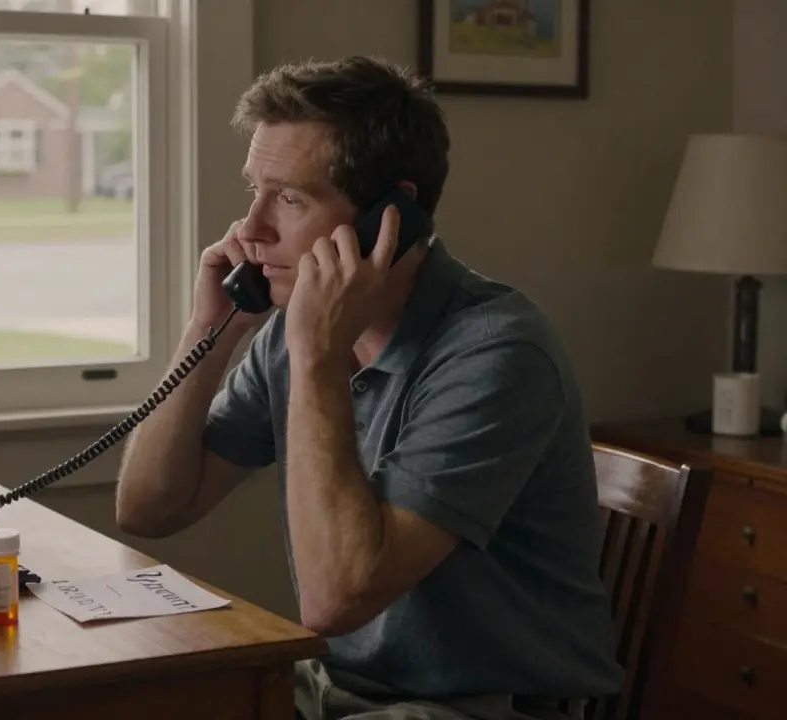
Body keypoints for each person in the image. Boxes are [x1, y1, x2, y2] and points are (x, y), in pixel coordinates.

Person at [113, 55, 623, 720]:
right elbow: (150, 510)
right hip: (336, 692)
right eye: (255, 192)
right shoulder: (293, 333)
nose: (250, 229)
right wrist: (209, 333)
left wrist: (318, 358)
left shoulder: (497, 353)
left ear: (391, 218)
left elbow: (337, 598)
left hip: (484, 709)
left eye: (289, 198)